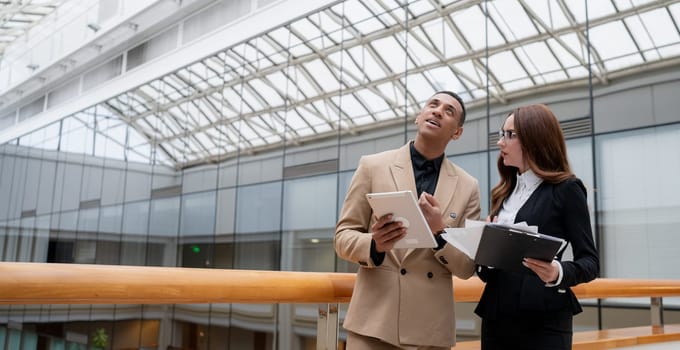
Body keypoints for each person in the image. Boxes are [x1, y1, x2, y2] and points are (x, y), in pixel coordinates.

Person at [335, 91, 481, 349]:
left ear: (456, 133)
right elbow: (343, 236)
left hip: (431, 331)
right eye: (432, 104)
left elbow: (467, 266)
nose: (437, 111)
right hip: (374, 325)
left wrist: (440, 233)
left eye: (449, 111)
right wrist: (375, 244)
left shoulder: (468, 186)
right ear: (419, 117)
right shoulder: (372, 166)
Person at [475, 104, 599, 350]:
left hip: (543, 322)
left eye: (510, 135)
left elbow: (590, 262)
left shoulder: (567, 190)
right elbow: (488, 274)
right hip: (496, 318)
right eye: (502, 134)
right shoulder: (503, 192)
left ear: (535, 138)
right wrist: (487, 250)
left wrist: (557, 272)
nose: (501, 142)